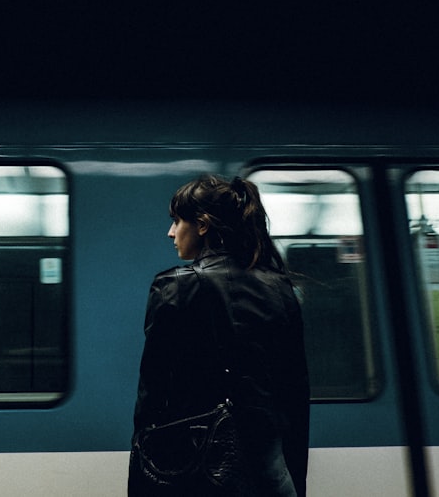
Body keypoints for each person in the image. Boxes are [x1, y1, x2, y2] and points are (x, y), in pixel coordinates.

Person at [130, 175, 310, 497]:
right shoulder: (279, 288)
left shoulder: (175, 288)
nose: (170, 232)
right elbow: (294, 393)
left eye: (177, 221)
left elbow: (152, 400)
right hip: (271, 470)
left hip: (201, 469)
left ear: (202, 225)